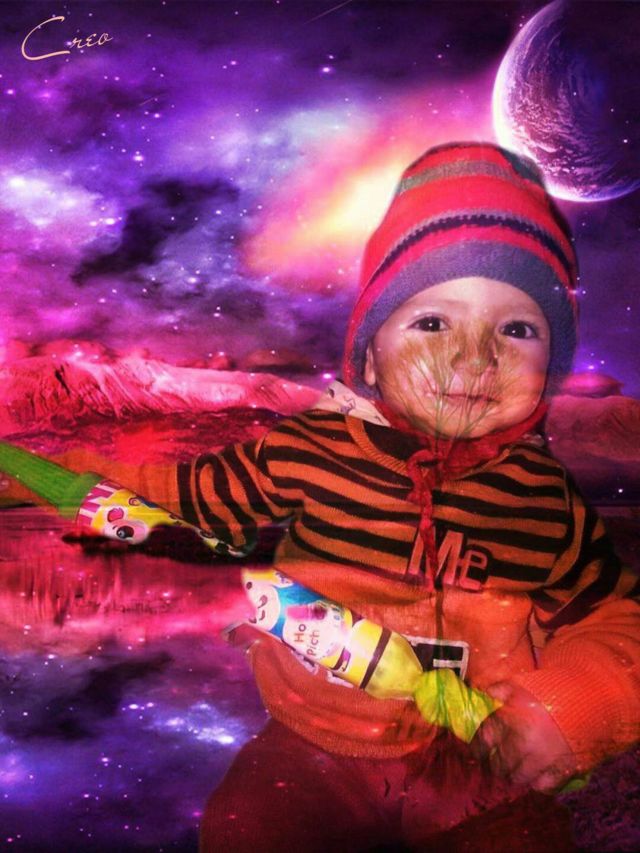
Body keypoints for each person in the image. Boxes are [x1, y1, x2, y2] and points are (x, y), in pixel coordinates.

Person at [2, 142, 639, 851]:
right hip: (312, 746)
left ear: (551, 367)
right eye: (433, 322)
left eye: (517, 329)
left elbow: (618, 622)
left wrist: (571, 708)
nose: (473, 355)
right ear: (369, 356)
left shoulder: (543, 501)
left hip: (481, 762)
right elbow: (184, 498)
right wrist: (39, 474)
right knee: (244, 830)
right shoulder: (309, 450)